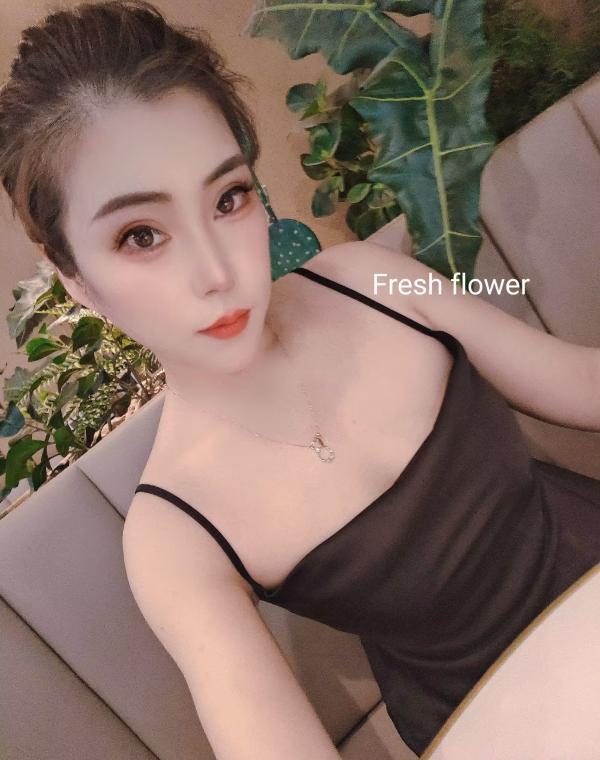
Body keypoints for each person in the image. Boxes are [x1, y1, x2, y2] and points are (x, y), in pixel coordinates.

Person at [0, 1, 599, 757]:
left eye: (229, 198)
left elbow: (583, 386)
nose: (218, 272)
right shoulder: (176, 537)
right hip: (500, 732)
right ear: (75, 276)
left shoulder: (369, 281)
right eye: (141, 235)